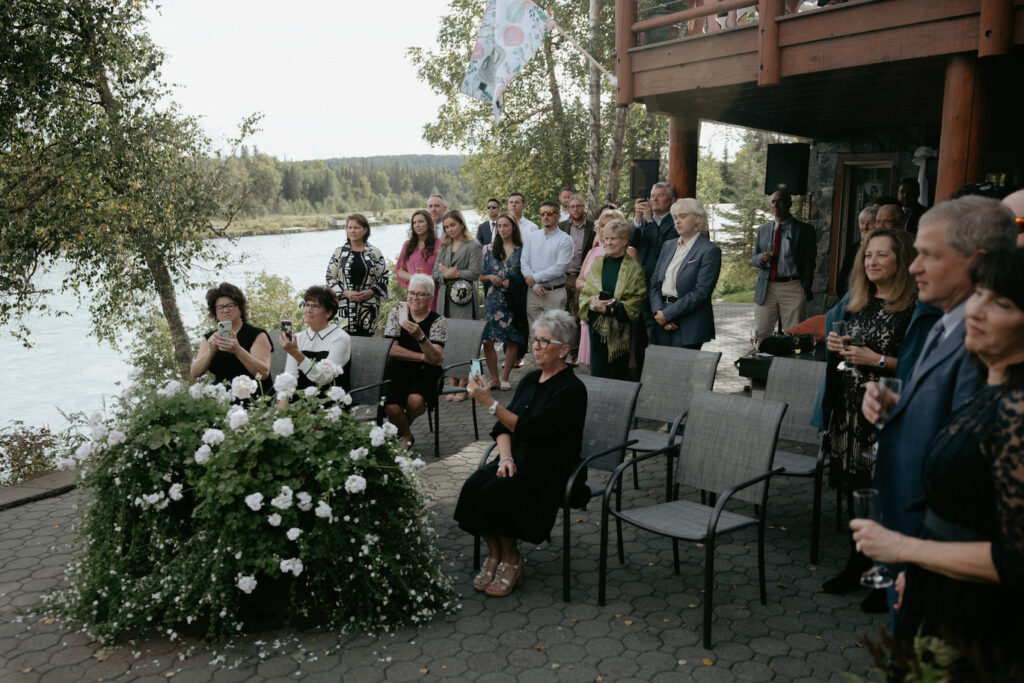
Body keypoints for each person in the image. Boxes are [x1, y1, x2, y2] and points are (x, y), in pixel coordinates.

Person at [852, 248, 1024, 664]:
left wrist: (904, 549)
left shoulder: (1017, 409)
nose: (976, 312)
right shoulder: (990, 389)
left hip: (977, 619)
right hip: (938, 590)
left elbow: (1014, 559)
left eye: (1000, 303)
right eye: (979, 294)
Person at [809, 228, 926, 610]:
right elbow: (843, 348)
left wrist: (874, 359)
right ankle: (856, 563)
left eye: (882, 255)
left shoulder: (914, 307)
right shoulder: (857, 299)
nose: (871, 262)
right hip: (849, 410)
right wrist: (836, 346)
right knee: (856, 492)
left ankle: (886, 575)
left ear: (901, 261)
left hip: (886, 412)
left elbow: (915, 366)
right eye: (867, 255)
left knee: (885, 494)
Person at [455, 310, 587, 597]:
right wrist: (505, 457)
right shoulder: (529, 380)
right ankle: (496, 554)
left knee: (499, 493)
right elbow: (503, 426)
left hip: (550, 466)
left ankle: (511, 558)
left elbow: (533, 430)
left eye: (544, 341)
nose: (536, 347)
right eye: (534, 340)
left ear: (564, 350)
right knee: (475, 487)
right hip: (517, 457)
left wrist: (490, 403)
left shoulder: (572, 390)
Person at [382, 274, 447, 448]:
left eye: (420, 294)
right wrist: (422, 356)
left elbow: (435, 359)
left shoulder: (438, 321)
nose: (414, 298)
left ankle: (400, 430)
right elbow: (391, 350)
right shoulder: (397, 314)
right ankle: (407, 434)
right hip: (398, 370)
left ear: (431, 298)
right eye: (411, 293)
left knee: (415, 402)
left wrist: (420, 337)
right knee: (392, 408)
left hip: (425, 373)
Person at [649, 198, 722, 350]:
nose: (677, 221)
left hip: (689, 325)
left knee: (682, 372)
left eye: (682, 216)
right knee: (660, 371)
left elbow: (700, 293)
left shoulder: (709, 251)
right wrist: (659, 313)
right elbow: (654, 283)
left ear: (697, 218)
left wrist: (668, 315)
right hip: (661, 319)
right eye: (675, 217)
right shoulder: (668, 245)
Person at [579, 218, 646, 380]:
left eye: (613, 238)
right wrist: (592, 303)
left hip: (619, 336)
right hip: (596, 332)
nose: (608, 242)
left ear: (624, 241)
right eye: (606, 238)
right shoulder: (597, 263)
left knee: (617, 379)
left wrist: (609, 309)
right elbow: (585, 294)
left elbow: (635, 304)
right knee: (597, 375)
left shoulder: (634, 269)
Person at [751, 189, 817, 344]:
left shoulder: (805, 230)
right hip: (767, 287)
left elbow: (809, 261)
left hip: (793, 286)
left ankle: (788, 367)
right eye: (773, 201)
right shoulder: (763, 230)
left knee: (793, 336)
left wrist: (804, 288)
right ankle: (762, 366)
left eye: (780, 201)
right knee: (761, 334)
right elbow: (754, 258)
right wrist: (762, 258)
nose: (776, 205)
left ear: (789, 204)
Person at [434, 209, 482, 399]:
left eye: (453, 225)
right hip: (445, 300)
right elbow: (435, 274)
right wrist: (444, 275)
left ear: (461, 224)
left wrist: (453, 273)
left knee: (466, 342)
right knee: (448, 342)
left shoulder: (473, 245)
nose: (450, 229)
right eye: (446, 227)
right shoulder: (444, 245)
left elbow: (475, 273)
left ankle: (465, 385)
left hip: (464, 301)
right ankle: (452, 383)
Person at [190, 282, 272, 391]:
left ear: (240, 307)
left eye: (230, 305)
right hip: (221, 394)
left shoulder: (256, 335)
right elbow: (195, 373)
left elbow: (263, 373)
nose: (225, 310)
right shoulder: (210, 338)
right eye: (220, 307)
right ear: (215, 312)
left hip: (252, 393)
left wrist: (238, 350)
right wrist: (211, 351)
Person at [480, 213, 526, 391]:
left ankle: (505, 377)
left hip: (513, 300)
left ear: (513, 227)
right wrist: (491, 277)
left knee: (512, 338)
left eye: (506, 225)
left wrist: (514, 281)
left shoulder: (522, 249)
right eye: (499, 226)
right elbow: (480, 275)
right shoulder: (488, 249)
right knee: (487, 341)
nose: (502, 229)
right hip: (493, 301)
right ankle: (494, 378)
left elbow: (527, 273)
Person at [279, 285, 352, 397]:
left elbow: (324, 378)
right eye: (307, 305)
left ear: (328, 313)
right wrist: (282, 411)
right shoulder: (298, 338)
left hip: (329, 405)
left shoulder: (340, 338)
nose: (309, 310)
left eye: (315, 306)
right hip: (300, 406)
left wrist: (296, 353)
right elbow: (290, 378)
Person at [326, 213, 389, 337]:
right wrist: (345, 292)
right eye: (349, 228)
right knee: (345, 342)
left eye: (356, 227)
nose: (352, 231)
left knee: (367, 343)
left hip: (369, 307)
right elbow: (330, 278)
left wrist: (370, 292)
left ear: (365, 230)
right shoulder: (339, 253)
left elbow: (384, 276)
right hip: (345, 308)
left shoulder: (375, 253)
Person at [521, 199, 574, 334]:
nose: (545, 216)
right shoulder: (531, 237)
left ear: (558, 216)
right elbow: (524, 262)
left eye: (549, 213)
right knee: (534, 335)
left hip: (554, 294)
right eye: (542, 213)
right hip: (533, 293)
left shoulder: (566, 240)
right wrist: (534, 285)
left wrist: (534, 278)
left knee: (554, 335)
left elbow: (560, 268)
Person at [559, 194, 596, 360]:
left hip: (582, 277)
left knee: (578, 315)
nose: (576, 209)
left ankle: (574, 353)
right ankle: (559, 351)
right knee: (560, 314)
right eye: (572, 206)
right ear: (568, 209)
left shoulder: (593, 227)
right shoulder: (560, 227)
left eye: (578, 206)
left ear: (583, 207)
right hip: (563, 276)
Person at [395, 209, 439, 311]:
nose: (417, 225)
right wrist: (415, 279)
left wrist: (426, 280)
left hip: (433, 292)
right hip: (414, 294)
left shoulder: (440, 244)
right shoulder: (408, 245)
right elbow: (400, 270)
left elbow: (443, 270)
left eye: (421, 221)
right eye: (414, 222)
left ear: (428, 223)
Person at [836, 206, 877, 298]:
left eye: (870, 223)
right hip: (847, 297)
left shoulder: (878, 249)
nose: (865, 227)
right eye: (862, 223)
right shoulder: (854, 247)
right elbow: (844, 275)